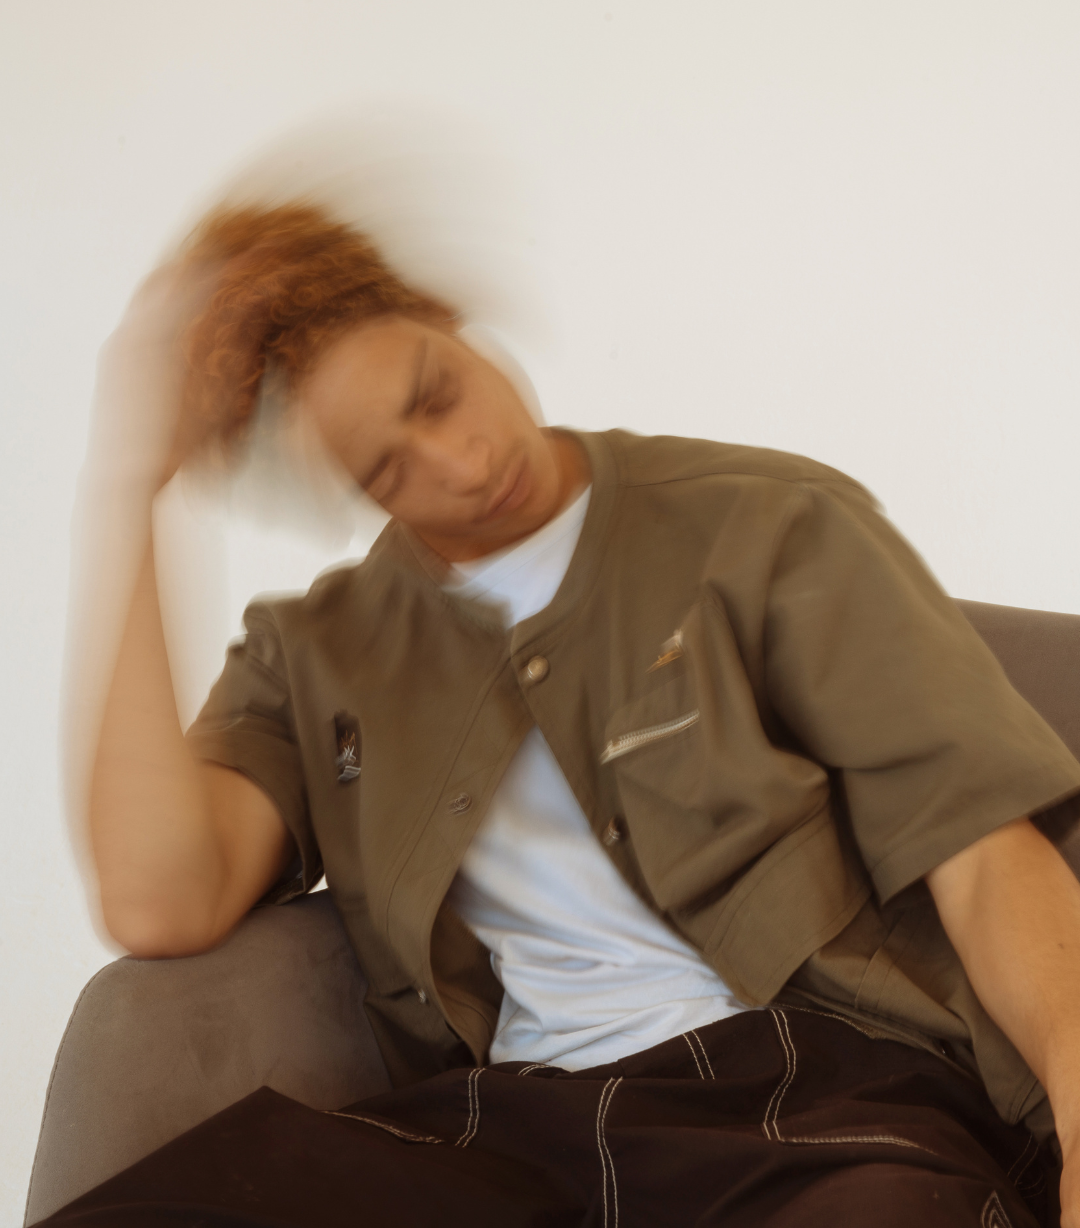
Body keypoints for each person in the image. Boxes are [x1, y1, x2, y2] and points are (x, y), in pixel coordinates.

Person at [44, 202, 1080, 1227]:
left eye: (438, 396)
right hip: (513, 1132)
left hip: (812, 1099)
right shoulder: (318, 653)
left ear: (450, 321)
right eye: (386, 469)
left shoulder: (769, 526)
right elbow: (158, 901)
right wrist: (134, 483)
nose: (462, 465)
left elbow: (986, 858)